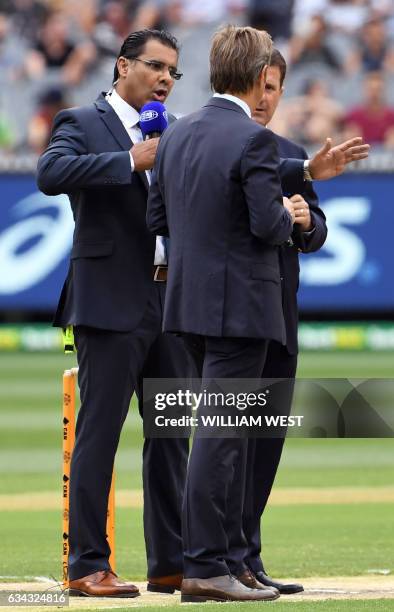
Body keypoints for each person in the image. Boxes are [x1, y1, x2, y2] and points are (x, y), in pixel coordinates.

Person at [37, 28, 192, 598]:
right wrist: (130, 159)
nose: (166, 79)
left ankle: (171, 562)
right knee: (100, 433)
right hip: (108, 299)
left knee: (173, 433)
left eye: (173, 71)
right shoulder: (81, 121)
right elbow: (50, 174)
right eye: (156, 67)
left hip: (170, 298)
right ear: (123, 66)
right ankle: (87, 564)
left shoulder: (174, 130)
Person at [225, 48, 327, 595]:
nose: (266, 99)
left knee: (265, 444)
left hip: (281, 316)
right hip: (233, 315)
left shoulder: (291, 153)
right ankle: (224, 559)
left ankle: (249, 556)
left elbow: (316, 229)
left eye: (274, 89)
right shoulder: (217, 146)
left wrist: (309, 224)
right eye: (259, 87)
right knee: (228, 442)